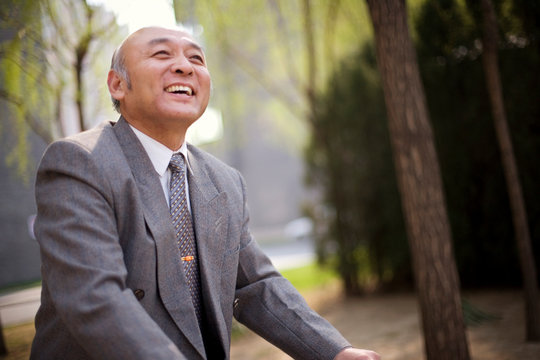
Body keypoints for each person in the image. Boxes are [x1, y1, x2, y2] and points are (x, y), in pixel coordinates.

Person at [30, 26, 380, 360]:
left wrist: (333, 351)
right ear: (118, 84)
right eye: (162, 53)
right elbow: (95, 298)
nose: (184, 65)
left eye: (196, 59)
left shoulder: (224, 180)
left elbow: (256, 285)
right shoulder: (79, 162)